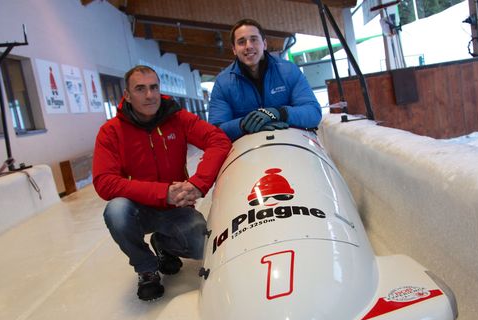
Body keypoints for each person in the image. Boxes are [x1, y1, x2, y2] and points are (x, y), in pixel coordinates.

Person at [93, 65, 231, 301]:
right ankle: (146, 268)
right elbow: (104, 182)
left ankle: (164, 244)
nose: (149, 95)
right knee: (116, 211)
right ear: (127, 95)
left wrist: (198, 184)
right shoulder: (111, 132)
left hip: (176, 206)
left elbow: (218, 140)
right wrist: (161, 192)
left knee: (202, 245)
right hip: (138, 207)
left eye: (154, 87)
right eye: (140, 89)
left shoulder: (177, 118)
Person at [208, 19, 322, 141]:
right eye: (241, 42)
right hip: (248, 152)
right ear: (234, 50)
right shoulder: (223, 83)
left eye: (254, 39)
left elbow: (313, 112)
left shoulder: (288, 71)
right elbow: (215, 130)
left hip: (291, 145)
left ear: (264, 44)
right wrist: (243, 125)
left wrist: (280, 113)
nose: (249, 46)